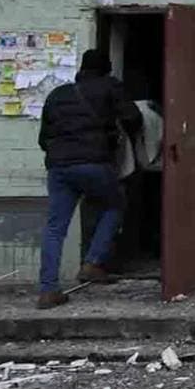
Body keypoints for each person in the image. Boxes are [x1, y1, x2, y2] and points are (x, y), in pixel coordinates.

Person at [35, 49, 144, 309]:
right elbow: (133, 118)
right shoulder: (110, 87)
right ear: (106, 69)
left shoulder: (57, 94)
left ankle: (48, 290)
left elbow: (43, 139)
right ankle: (93, 262)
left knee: (55, 228)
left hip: (59, 168)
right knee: (115, 204)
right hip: (94, 164)